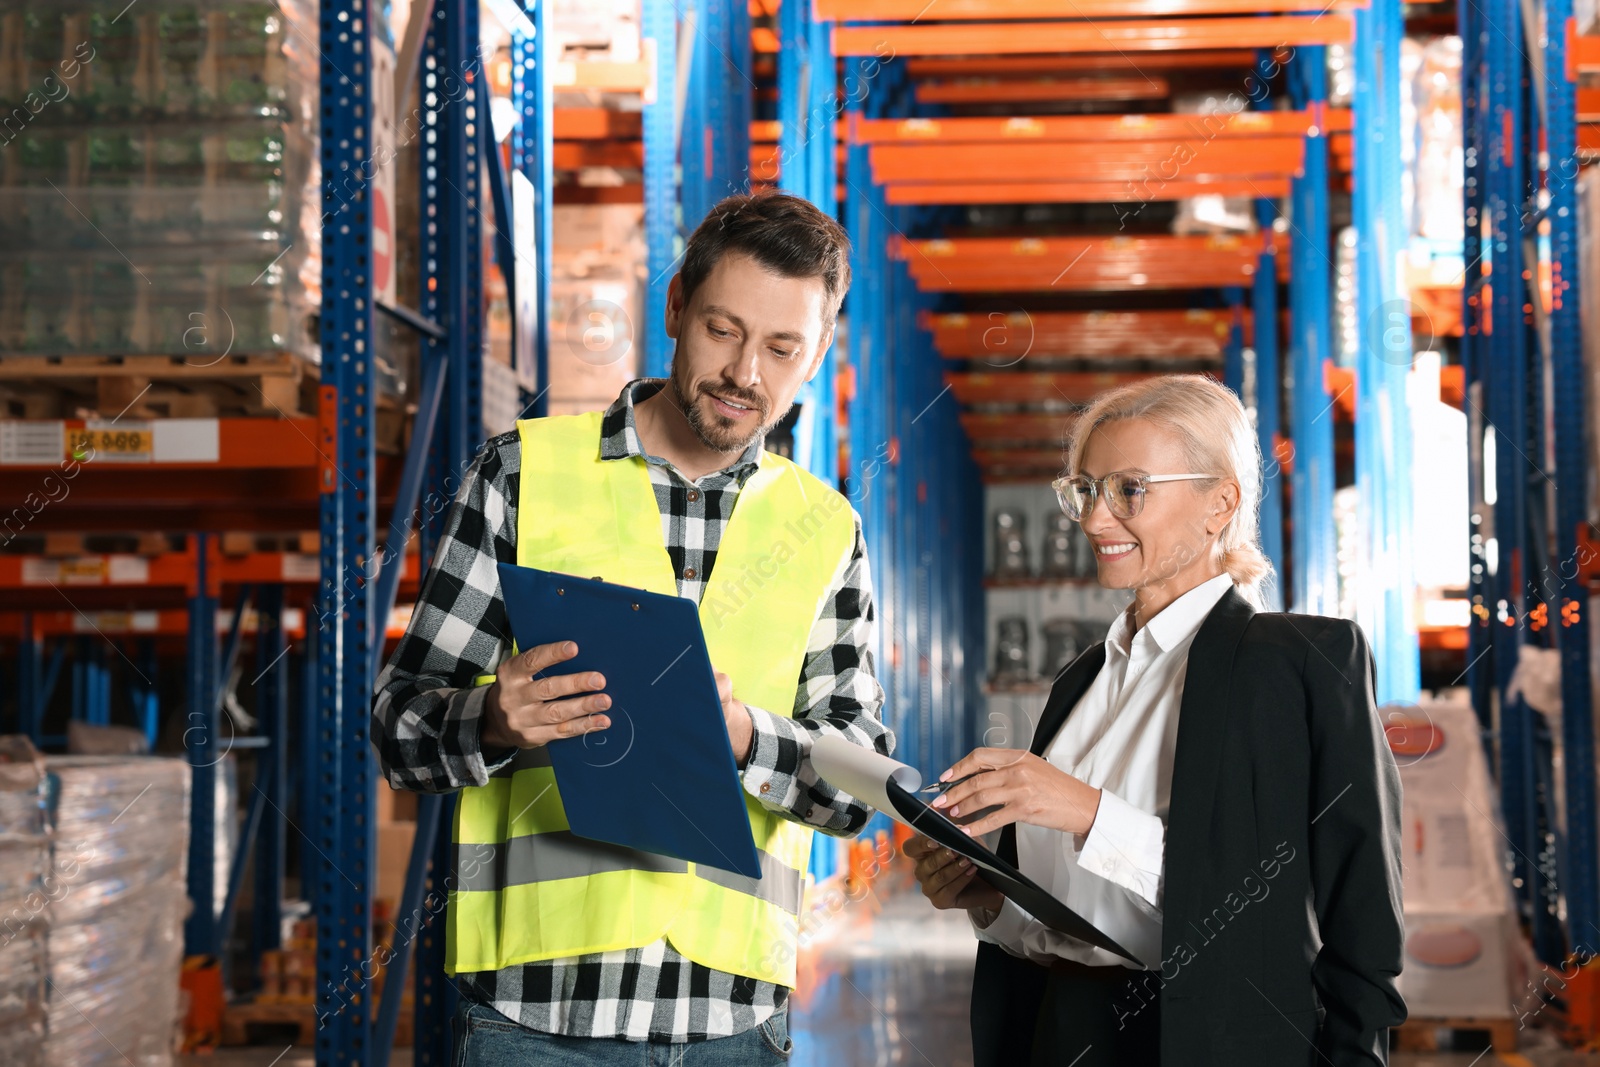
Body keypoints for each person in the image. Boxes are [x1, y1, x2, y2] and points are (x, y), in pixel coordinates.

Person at [372, 191, 894, 1065]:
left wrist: (742, 740)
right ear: (676, 306)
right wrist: (493, 721)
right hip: (536, 1019)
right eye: (724, 330)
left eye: (781, 348)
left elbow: (857, 786)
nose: (745, 374)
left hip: (728, 1022)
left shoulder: (825, 528)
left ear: (817, 353)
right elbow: (397, 731)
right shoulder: (521, 476)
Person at [906, 374, 1405, 1066]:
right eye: (1085, 489)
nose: (1094, 519)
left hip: (1201, 1041)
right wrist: (987, 894)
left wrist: (1086, 811)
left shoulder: (1299, 665)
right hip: (1060, 1030)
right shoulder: (1084, 679)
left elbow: (1356, 920)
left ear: (1219, 501)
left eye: (1129, 490)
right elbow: (1076, 920)